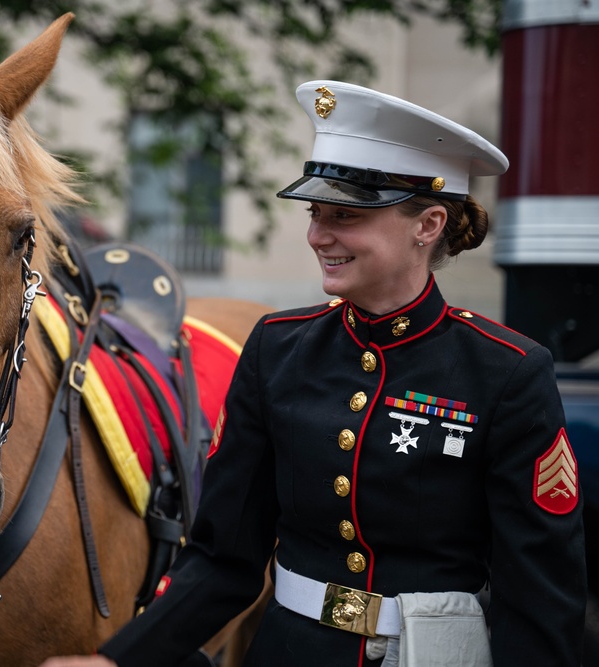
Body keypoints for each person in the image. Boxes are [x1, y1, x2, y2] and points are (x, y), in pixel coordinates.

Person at [40, 80, 587, 666]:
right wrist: (118, 660)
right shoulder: (279, 348)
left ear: (427, 224)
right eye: (315, 213)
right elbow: (223, 561)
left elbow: (539, 603)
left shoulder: (507, 372)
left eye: (346, 216)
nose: (318, 235)